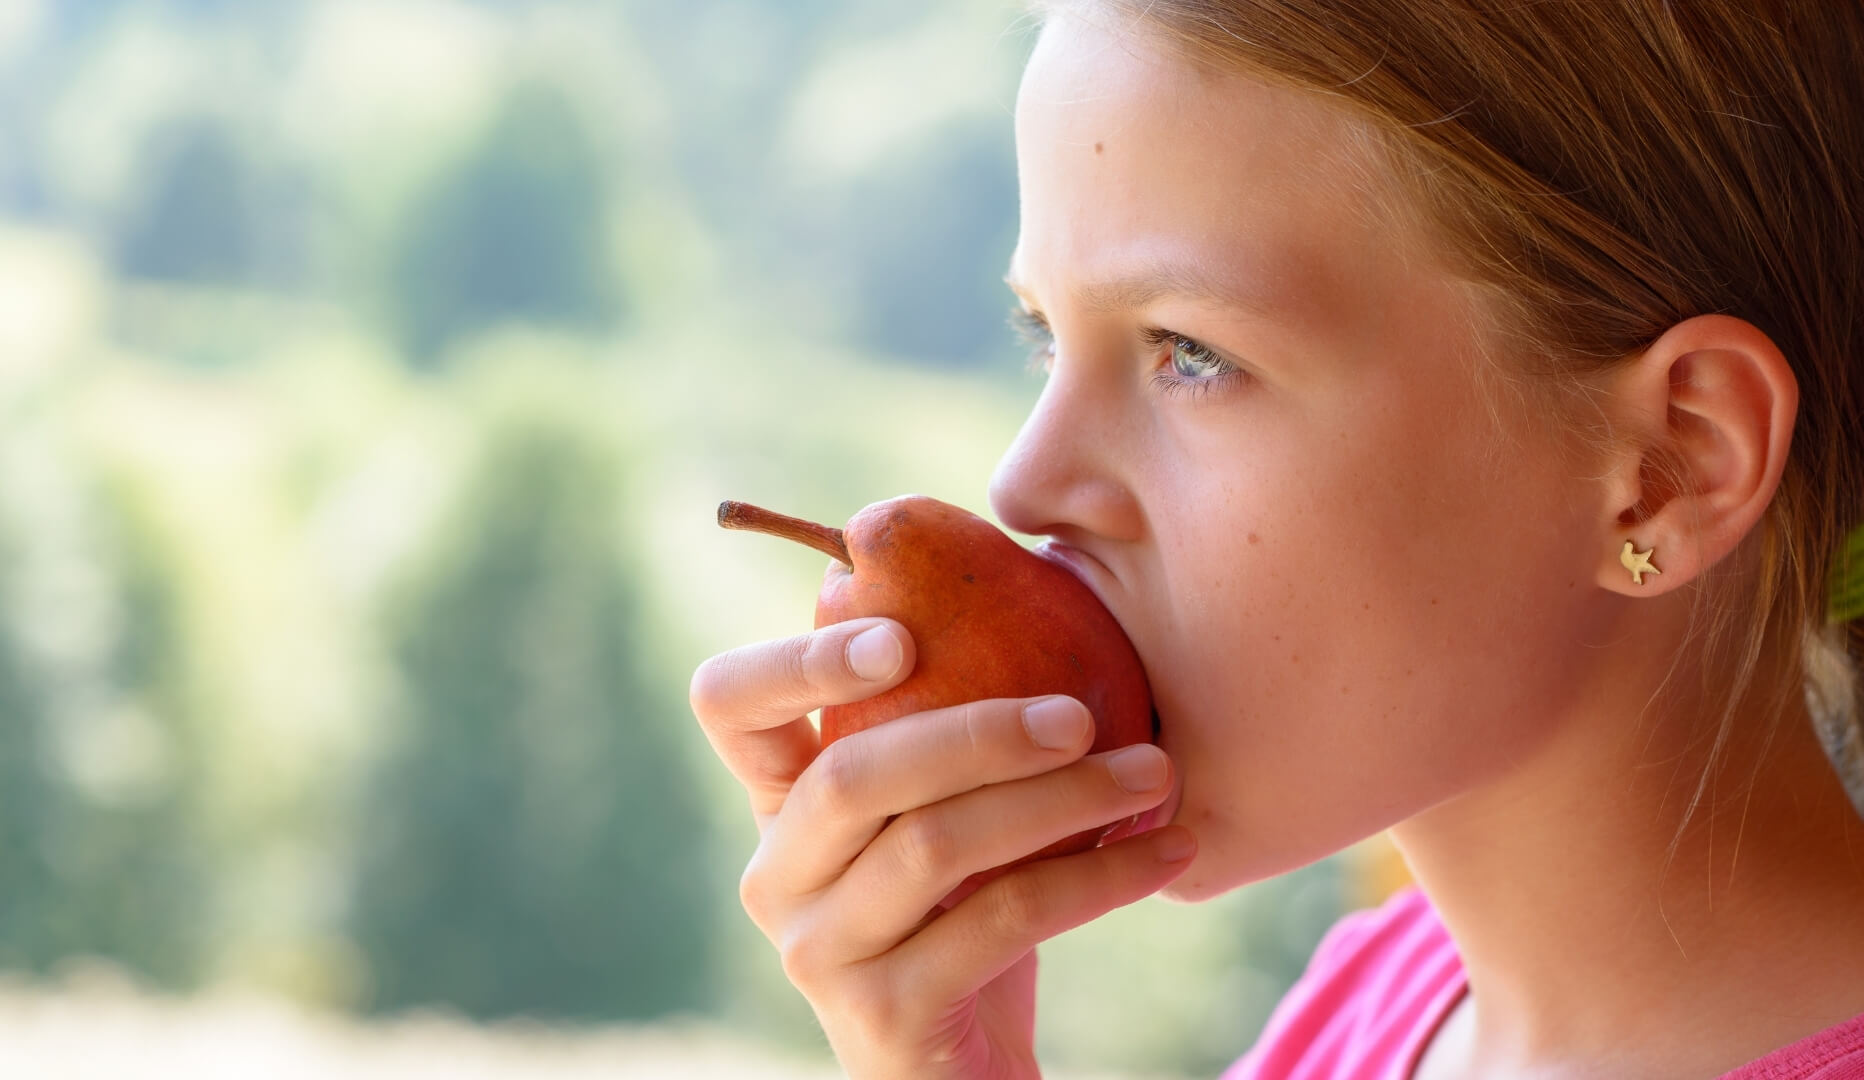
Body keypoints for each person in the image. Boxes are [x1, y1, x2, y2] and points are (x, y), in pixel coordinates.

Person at [686, 1, 1864, 1076]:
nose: (1026, 484)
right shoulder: (1369, 1012)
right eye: (1044, 337)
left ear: (1670, 466)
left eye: (1190, 352)